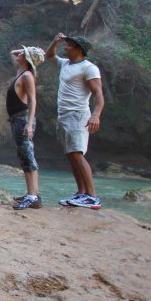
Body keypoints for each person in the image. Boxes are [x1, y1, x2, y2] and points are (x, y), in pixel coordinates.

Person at [44, 33, 105, 209]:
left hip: (78, 115)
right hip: (63, 115)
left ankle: (92, 196)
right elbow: (49, 56)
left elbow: (98, 94)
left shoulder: (89, 68)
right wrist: (54, 41)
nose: (66, 47)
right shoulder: (66, 63)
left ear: (79, 49)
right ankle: (81, 193)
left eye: (69, 45)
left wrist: (96, 115)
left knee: (77, 153)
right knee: (71, 155)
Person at [8, 45, 45, 210]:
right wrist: (26, 53)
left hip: (23, 120)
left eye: (23, 53)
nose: (19, 53)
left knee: (28, 157)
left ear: (27, 59)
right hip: (17, 120)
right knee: (25, 156)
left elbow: (32, 100)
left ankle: (32, 197)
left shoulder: (27, 75)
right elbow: (12, 53)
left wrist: (29, 124)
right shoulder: (21, 72)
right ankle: (33, 194)